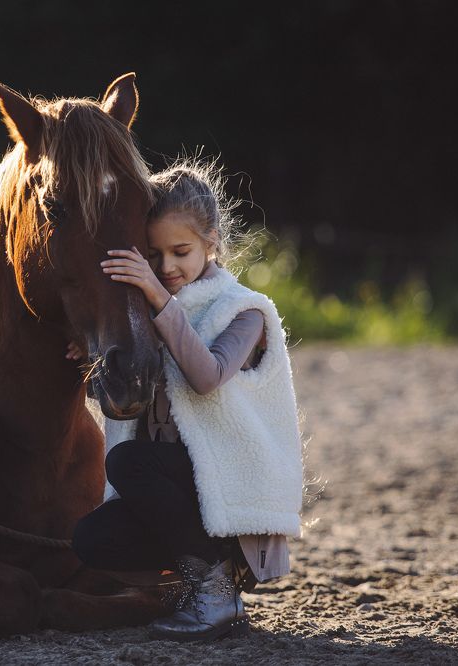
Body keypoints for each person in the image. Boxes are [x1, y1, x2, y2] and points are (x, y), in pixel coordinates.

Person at [69, 160, 304, 642]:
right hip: (181, 498)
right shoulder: (153, 315)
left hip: (229, 499)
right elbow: (129, 401)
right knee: (91, 539)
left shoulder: (244, 311)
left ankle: (217, 588)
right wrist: (93, 357)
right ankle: (191, 586)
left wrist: (157, 297)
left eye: (180, 251)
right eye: (154, 256)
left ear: (212, 242)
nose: (167, 267)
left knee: (129, 462)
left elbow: (206, 377)